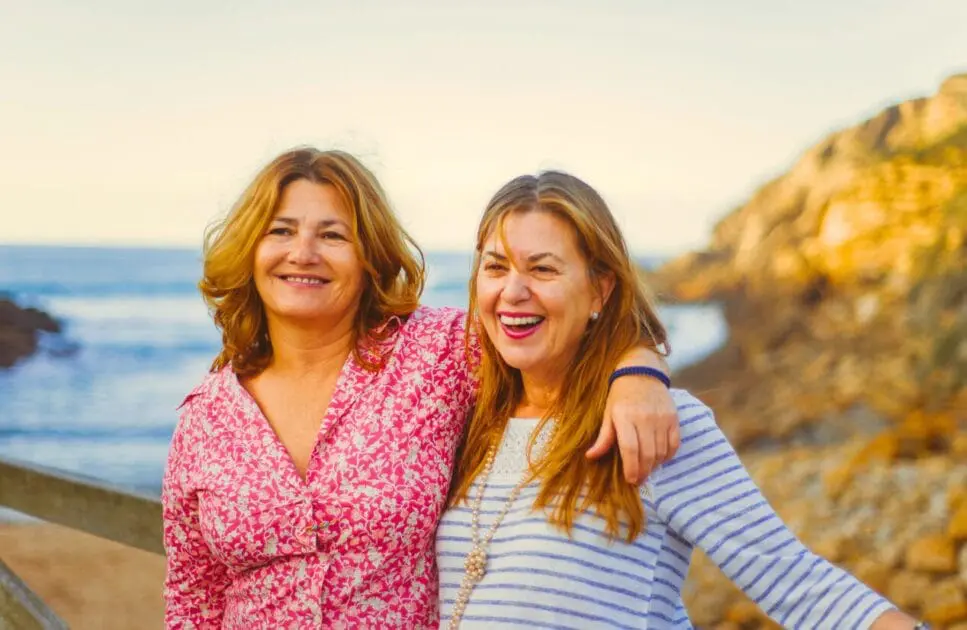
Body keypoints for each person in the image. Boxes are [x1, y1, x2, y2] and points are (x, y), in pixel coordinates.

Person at [161, 148, 681, 629]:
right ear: (250, 251)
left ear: (370, 257)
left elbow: (555, 330)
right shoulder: (206, 417)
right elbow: (193, 599)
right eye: (280, 231)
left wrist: (638, 371)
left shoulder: (436, 353)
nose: (304, 252)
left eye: (333, 235)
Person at [437, 171, 925, 629]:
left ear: (599, 291)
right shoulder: (465, 415)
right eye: (495, 267)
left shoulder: (655, 421)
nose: (512, 291)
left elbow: (797, 583)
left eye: (543, 269)